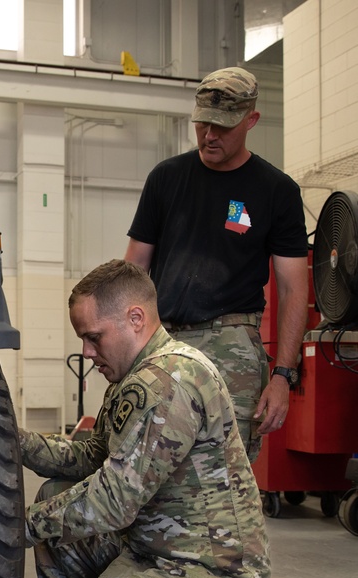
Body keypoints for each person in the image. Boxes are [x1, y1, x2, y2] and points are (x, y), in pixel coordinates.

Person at [19, 259, 270, 578]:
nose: (87, 350)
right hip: (151, 550)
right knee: (57, 497)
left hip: (204, 572)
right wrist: (11, 440)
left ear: (135, 319)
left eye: (94, 336)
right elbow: (90, 457)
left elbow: (114, 498)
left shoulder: (171, 379)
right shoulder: (132, 378)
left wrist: (19, 530)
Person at [124, 66, 310, 462]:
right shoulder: (166, 178)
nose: (209, 135)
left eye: (223, 126)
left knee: (224, 478)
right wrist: (126, 350)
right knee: (146, 469)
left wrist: (282, 377)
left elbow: (295, 290)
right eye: (203, 123)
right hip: (164, 342)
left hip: (233, 347)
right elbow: (133, 272)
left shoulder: (276, 190)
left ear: (251, 120)